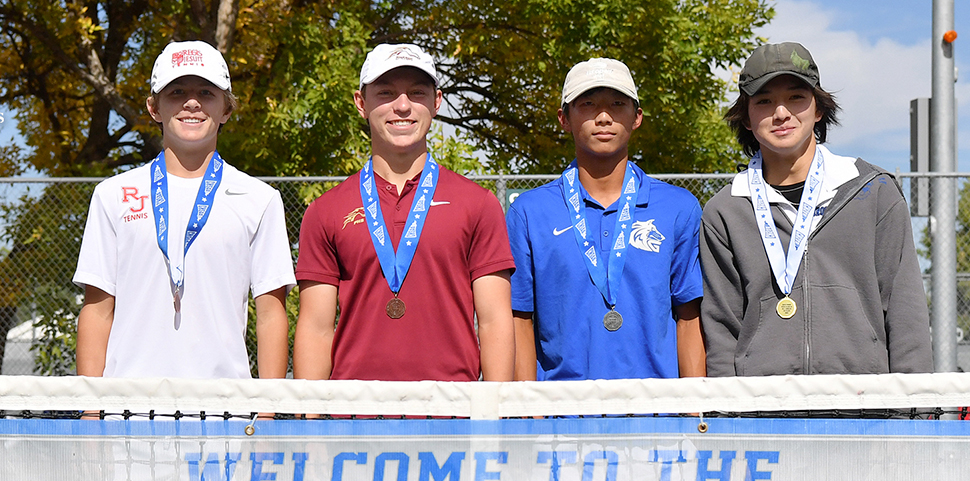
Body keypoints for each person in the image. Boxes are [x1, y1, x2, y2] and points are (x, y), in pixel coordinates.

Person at [700, 41, 933, 376]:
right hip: (761, 417)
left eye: (796, 97)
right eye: (764, 101)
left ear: (819, 109)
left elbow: (906, 315)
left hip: (863, 412)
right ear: (747, 118)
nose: (781, 113)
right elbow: (721, 331)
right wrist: (727, 419)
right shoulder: (726, 210)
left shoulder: (874, 191)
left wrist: (911, 416)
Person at [293, 43, 515, 382]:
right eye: (386, 93)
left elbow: (494, 320)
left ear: (436, 102)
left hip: (450, 414)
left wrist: (493, 419)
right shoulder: (325, 211)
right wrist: (310, 424)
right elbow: (316, 328)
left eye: (416, 93)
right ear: (361, 103)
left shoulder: (478, 204)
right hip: (353, 415)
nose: (402, 106)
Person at [74, 41, 295, 379]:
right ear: (154, 108)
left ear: (226, 110)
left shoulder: (259, 199)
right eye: (176, 92)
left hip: (225, 414)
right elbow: (98, 311)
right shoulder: (113, 195)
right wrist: (92, 413)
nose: (192, 103)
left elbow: (270, 314)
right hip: (127, 411)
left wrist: (264, 414)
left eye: (207, 93)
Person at [507, 58, 705, 381]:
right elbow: (520, 320)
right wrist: (532, 420)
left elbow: (689, 318)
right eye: (587, 104)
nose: (603, 117)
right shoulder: (529, 213)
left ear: (637, 117)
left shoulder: (679, 208)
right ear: (564, 118)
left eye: (617, 104)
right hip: (562, 418)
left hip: (656, 418)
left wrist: (692, 414)